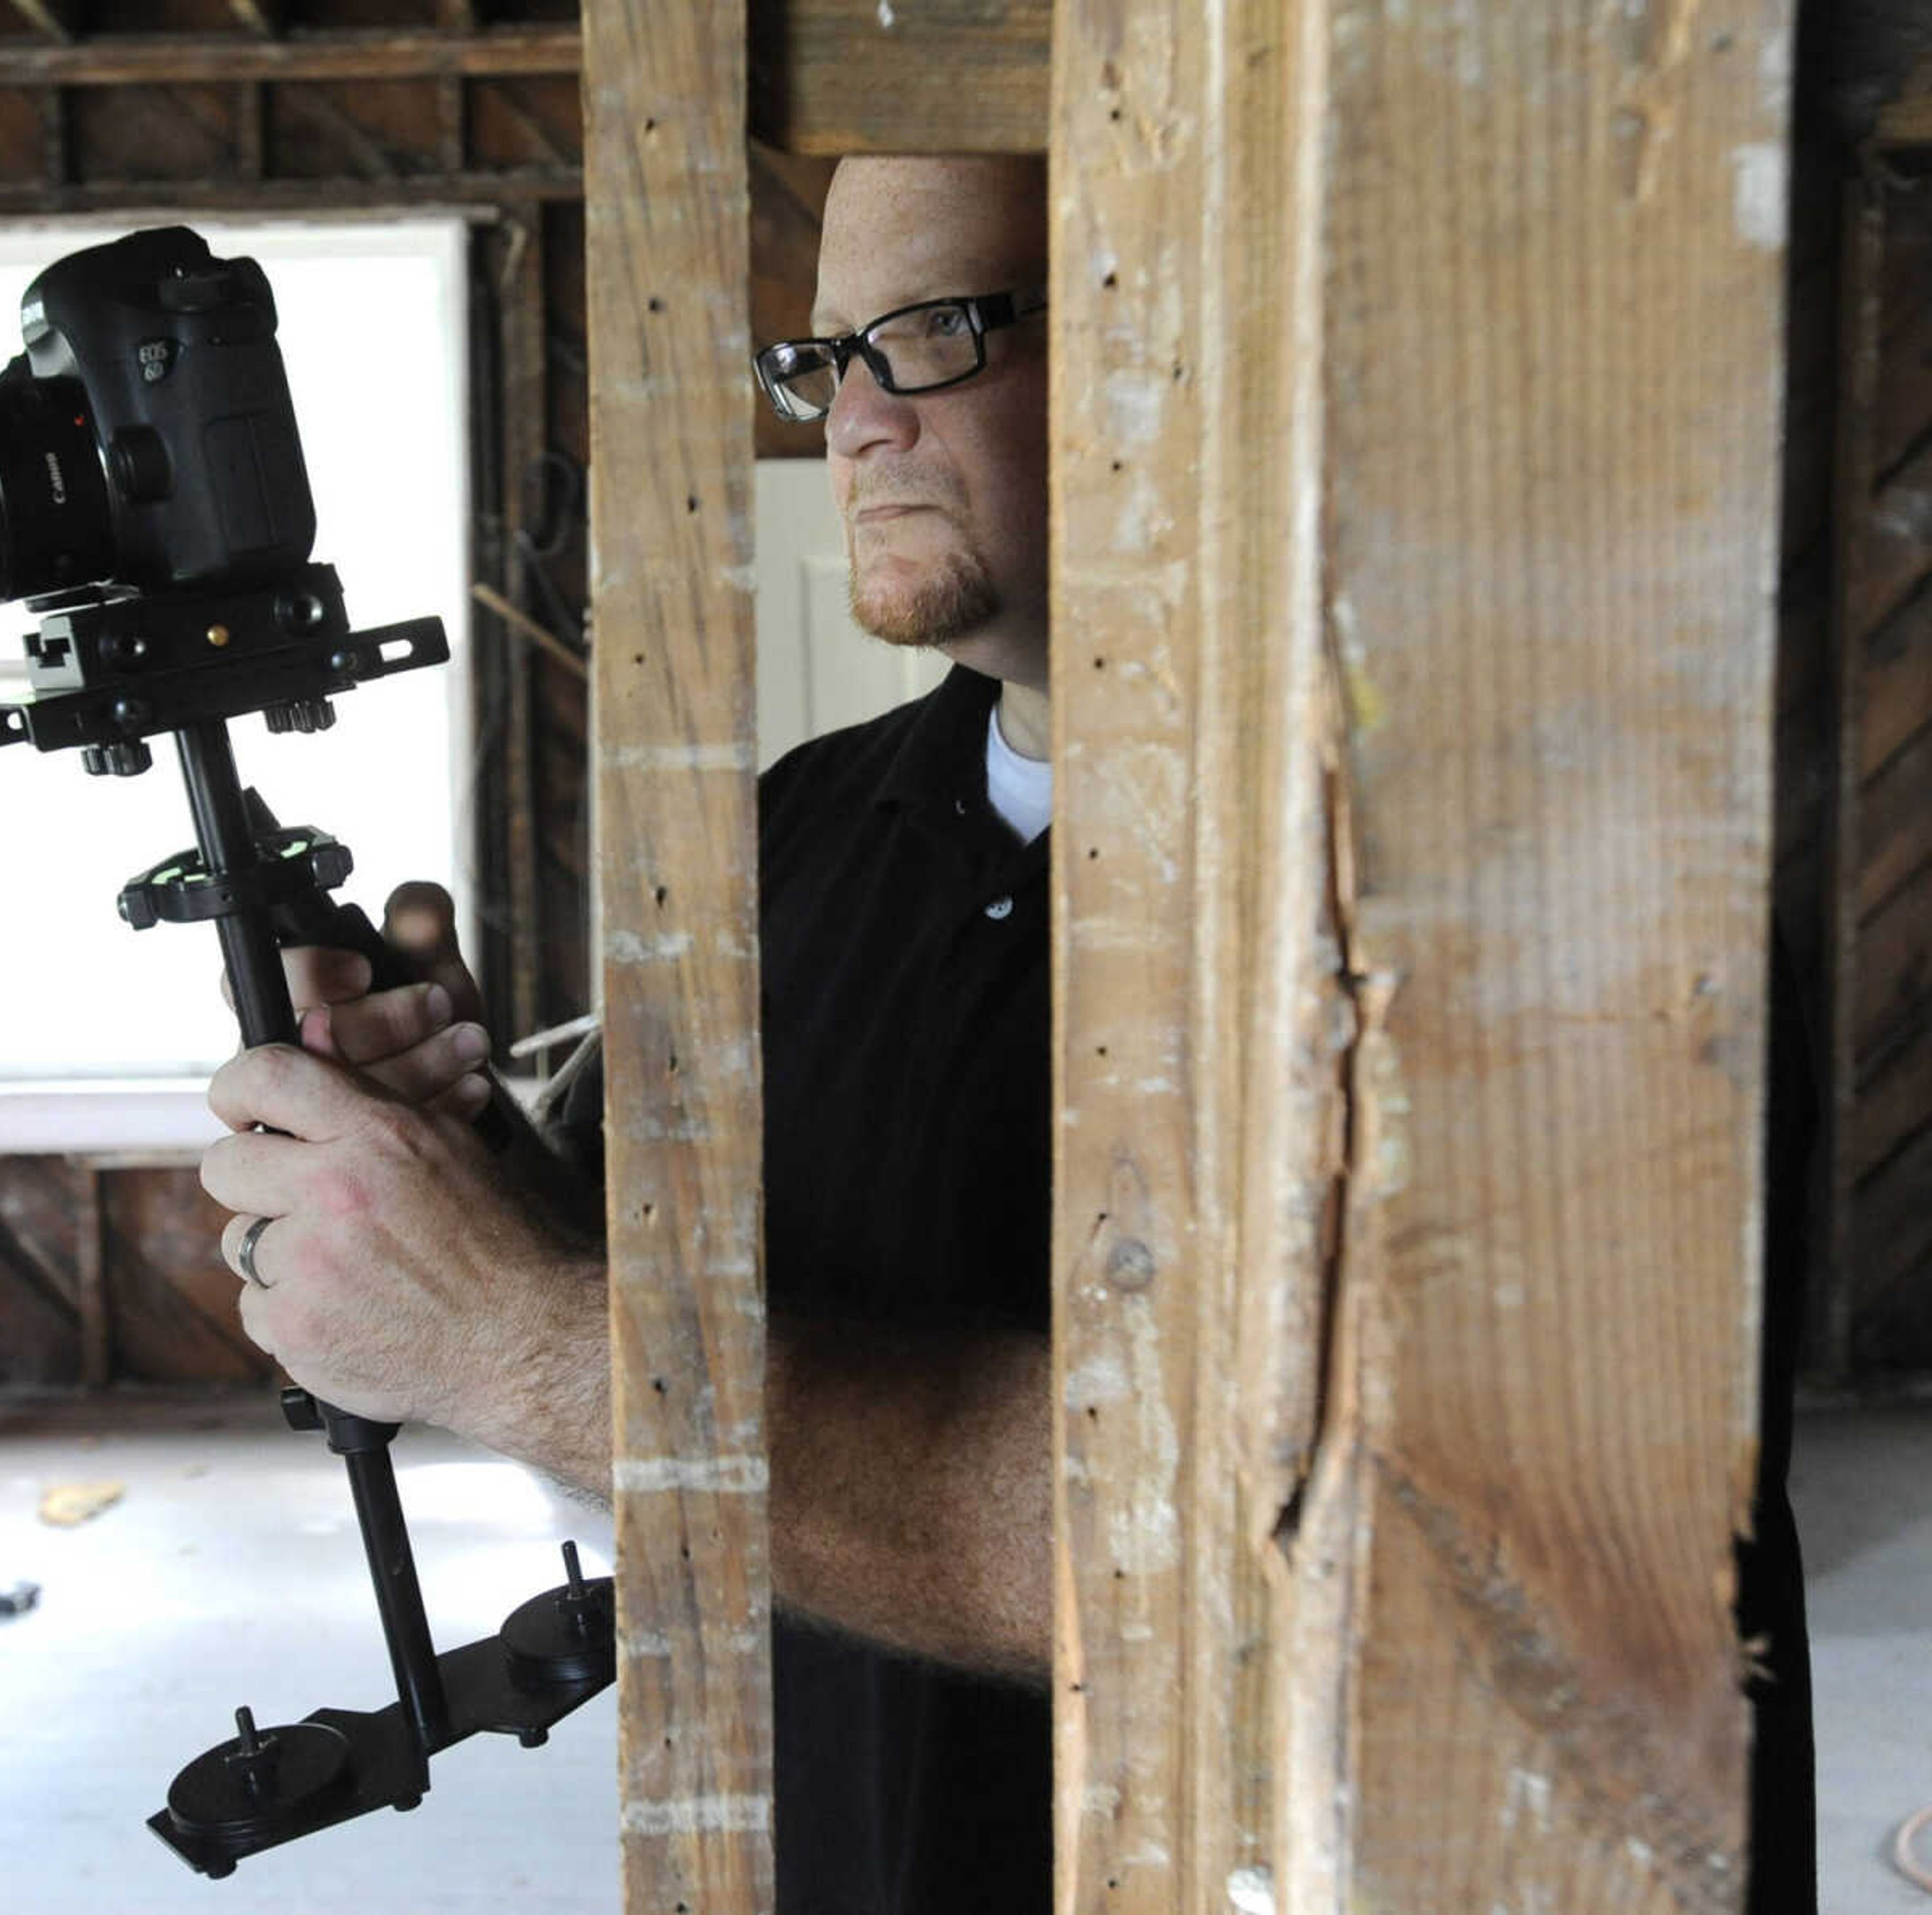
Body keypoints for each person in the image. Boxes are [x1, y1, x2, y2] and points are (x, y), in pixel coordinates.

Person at [198, 150, 1815, 1911]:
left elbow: (1391, 1560)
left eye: (939, 330)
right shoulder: (796, 833)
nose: (858, 424)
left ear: (1195, 333)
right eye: (827, 358)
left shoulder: (1550, 868)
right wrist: (454, 1193)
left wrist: (517, 1341)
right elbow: (706, 1313)